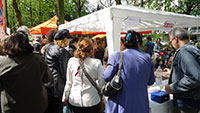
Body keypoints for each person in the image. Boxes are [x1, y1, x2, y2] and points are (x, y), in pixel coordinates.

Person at [0, 30, 53, 113]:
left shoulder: (2, 62)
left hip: (11, 107)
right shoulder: (38, 60)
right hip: (37, 105)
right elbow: (48, 79)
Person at [103, 30, 155, 113]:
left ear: (125, 43)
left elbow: (106, 77)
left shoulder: (116, 56)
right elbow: (151, 81)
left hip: (120, 104)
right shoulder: (147, 58)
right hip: (140, 105)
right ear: (139, 44)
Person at [62, 38, 104, 113]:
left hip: (75, 100)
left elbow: (69, 82)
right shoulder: (97, 63)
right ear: (91, 49)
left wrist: (65, 97)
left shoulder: (71, 61)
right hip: (92, 100)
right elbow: (101, 82)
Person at [164, 27, 200, 113]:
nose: (171, 44)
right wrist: (172, 73)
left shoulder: (184, 52)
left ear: (175, 39)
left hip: (187, 101)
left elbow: (193, 77)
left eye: (170, 41)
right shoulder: (193, 48)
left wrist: (172, 87)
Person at [44, 29, 72, 113]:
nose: (69, 43)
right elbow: (65, 71)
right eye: (68, 40)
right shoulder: (62, 51)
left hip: (48, 83)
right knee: (57, 108)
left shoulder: (48, 48)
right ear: (64, 40)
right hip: (58, 86)